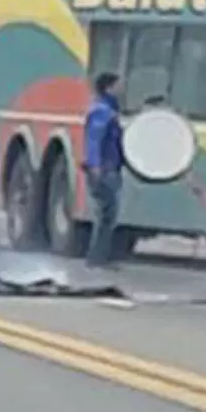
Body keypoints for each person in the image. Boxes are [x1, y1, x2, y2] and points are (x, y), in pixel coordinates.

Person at [83, 72, 125, 267]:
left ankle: (99, 257)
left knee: (108, 215)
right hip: (105, 170)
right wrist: (95, 166)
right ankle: (96, 258)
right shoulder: (102, 111)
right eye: (118, 85)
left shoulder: (109, 110)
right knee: (106, 215)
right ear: (108, 88)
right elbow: (94, 140)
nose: (121, 88)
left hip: (110, 168)